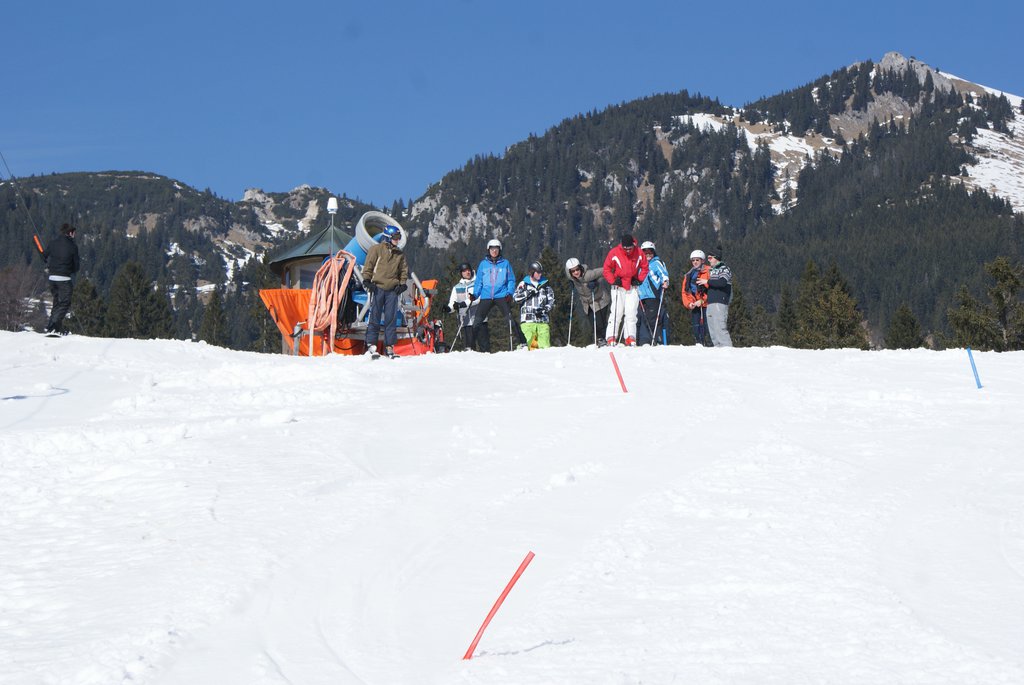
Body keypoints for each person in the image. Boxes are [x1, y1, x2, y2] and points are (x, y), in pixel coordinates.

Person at [467, 238, 526, 351]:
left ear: (500, 250)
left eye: (496, 249)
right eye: (492, 249)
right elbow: (479, 282)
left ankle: (523, 342)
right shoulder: (483, 264)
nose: (494, 251)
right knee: (477, 322)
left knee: (510, 320)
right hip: (486, 296)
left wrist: (509, 293)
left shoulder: (505, 263)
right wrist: (475, 294)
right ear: (488, 250)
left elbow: (511, 280)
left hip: (501, 295)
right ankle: (470, 346)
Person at [362, 225, 409, 358]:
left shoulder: (399, 254)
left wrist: (402, 284)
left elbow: (403, 270)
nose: (397, 240)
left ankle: (389, 346)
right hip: (377, 287)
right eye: (395, 237)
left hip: (392, 290)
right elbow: (369, 265)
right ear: (388, 237)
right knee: (375, 316)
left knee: (391, 319)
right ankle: (371, 344)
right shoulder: (376, 249)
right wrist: (367, 280)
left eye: (399, 237)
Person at [602, 234, 648, 346]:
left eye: (629, 248)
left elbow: (645, 267)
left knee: (631, 312)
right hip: (618, 286)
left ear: (633, 245)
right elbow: (606, 269)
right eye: (625, 248)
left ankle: (630, 337)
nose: (627, 251)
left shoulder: (639, 252)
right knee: (617, 312)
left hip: (632, 286)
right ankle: (611, 336)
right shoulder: (614, 252)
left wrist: (639, 280)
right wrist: (613, 280)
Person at [41, 223, 80, 335]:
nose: (75, 234)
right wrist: (70, 270)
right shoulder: (73, 246)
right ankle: (54, 324)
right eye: (74, 232)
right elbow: (76, 266)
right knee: (65, 302)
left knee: (57, 302)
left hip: (52, 278)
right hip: (64, 278)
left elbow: (44, 255)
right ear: (70, 233)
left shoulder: (53, 243)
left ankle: (52, 327)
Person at [565, 257, 611, 347]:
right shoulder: (571, 277)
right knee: (593, 324)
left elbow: (604, 271)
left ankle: (603, 339)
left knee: (600, 323)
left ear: (580, 268)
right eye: (573, 271)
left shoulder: (589, 275)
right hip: (587, 303)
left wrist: (596, 282)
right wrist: (571, 282)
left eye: (577, 269)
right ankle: (599, 339)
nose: (576, 272)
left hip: (600, 300)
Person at [446, 262, 489, 352]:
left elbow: (479, 298)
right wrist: (449, 308)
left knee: (484, 348)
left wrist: (463, 304)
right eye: (464, 271)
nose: (467, 272)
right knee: (469, 349)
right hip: (466, 321)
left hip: (480, 320)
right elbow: (453, 303)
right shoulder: (457, 287)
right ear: (461, 273)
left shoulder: (478, 283)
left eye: (468, 270)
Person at [513, 261, 555, 349]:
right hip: (528, 321)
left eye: (541, 272)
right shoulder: (524, 284)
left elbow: (551, 300)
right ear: (532, 272)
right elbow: (516, 298)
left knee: (545, 348)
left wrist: (545, 309)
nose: (540, 274)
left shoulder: (545, 285)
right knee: (533, 347)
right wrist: (527, 293)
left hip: (542, 321)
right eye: (538, 272)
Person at [637, 241, 670, 346]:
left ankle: (657, 340)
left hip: (653, 296)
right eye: (645, 252)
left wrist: (665, 281)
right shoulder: (640, 265)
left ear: (653, 252)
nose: (648, 254)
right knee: (641, 319)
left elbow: (663, 273)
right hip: (641, 296)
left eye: (650, 252)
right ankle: (644, 341)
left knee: (652, 319)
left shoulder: (656, 263)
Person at [681, 249, 711, 346]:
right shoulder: (689, 275)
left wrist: (702, 301)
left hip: (707, 304)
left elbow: (713, 290)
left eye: (697, 260)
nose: (695, 262)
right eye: (693, 260)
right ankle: (699, 343)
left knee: (707, 327)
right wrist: (689, 303)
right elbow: (685, 292)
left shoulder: (708, 271)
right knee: (696, 326)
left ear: (702, 261)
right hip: (695, 304)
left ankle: (708, 344)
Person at [705, 247, 733, 347]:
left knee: (720, 328)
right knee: (713, 330)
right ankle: (718, 350)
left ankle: (727, 349)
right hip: (710, 303)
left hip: (719, 302)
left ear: (716, 257)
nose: (708, 260)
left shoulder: (724, 269)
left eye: (710, 258)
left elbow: (722, 282)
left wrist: (707, 281)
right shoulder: (712, 271)